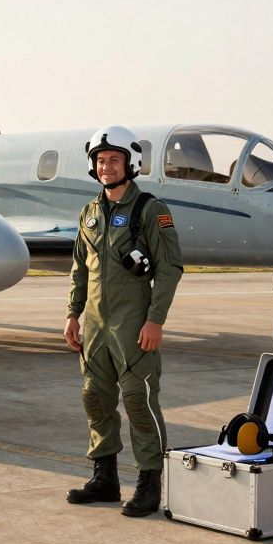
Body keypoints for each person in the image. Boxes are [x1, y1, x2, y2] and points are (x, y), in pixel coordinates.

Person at [63, 125, 183, 517]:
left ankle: (150, 484)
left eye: (113, 159)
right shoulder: (90, 212)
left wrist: (155, 320)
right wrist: (72, 314)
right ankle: (105, 478)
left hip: (134, 324)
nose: (106, 166)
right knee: (94, 398)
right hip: (95, 325)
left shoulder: (150, 209)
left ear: (130, 163)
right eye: (100, 161)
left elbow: (169, 268)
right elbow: (80, 268)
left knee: (137, 400)